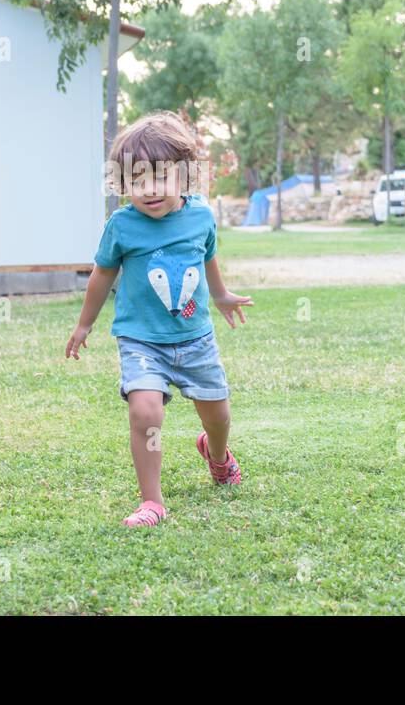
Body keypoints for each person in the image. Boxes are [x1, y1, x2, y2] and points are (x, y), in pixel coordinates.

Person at [66, 111, 253, 527]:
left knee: (218, 415)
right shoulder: (122, 225)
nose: (149, 189)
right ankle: (152, 501)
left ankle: (216, 455)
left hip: (195, 339)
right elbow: (102, 274)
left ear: (184, 177)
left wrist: (220, 295)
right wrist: (85, 323)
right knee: (145, 411)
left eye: (160, 177)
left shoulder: (201, 216)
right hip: (141, 340)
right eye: (136, 180)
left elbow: (206, 256)